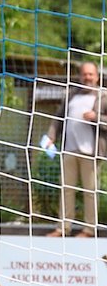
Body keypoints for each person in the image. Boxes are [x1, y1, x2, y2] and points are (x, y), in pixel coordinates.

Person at [44, 61, 104, 237]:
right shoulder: (71, 95)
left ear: (97, 77)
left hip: (91, 152)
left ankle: (89, 229)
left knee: (90, 192)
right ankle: (63, 228)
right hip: (69, 150)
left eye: (91, 74)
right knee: (66, 189)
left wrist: (96, 117)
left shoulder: (103, 96)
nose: (87, 77)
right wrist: (51, 136)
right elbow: (58, 118)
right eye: (84, 74)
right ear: (80, 76)